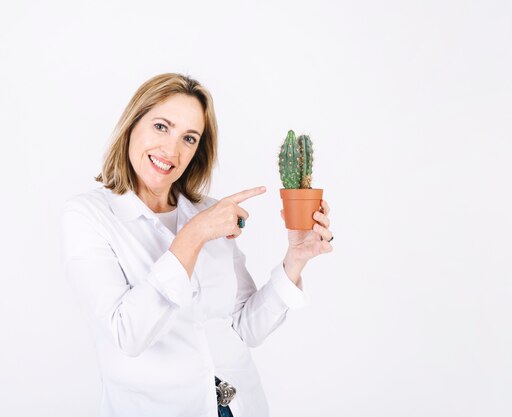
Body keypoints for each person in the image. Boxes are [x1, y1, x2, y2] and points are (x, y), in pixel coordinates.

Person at [60, 73, 334, 417]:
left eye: (189, 138)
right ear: (132, 124)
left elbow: (243, 328)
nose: (171, 150)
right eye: (161, 126)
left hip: (241, 406)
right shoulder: (88, 216)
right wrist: (193, 235)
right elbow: (127, 335)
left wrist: (295, 259)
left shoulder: (208, 211)